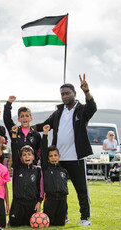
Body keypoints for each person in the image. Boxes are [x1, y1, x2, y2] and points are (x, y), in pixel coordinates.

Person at [34, 74, 97, 226]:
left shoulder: (82, 110)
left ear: (74, 93)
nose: (64, 96)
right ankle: (63, 215)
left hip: (76, 158)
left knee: (81, 190)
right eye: (62, 94)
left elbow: (92, 108)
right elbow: (45, 124)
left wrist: (87, 91)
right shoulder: (59, 112)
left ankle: (85, 218)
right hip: (58, 159)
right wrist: (27, 127)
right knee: (58, 191)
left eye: (67, 93)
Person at [9, 125, 43, 227]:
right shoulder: (17, 167)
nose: (27, 156)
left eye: (29, 154)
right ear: (21, 157)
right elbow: (15, 150)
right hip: (18, 203)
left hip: (31, 204)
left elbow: (40, 188)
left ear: (33, 156)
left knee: (31, 225)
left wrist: (39, 202)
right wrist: (14, 137)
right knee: (14, 225)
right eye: (24, 155)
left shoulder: (37, 170)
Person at [41, 125, 68, 226]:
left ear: (59, 156)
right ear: (48, 158)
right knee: (50, 224)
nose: (53, 158)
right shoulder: (46, 168)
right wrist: (45, 134)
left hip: (62, 201)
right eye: (51, 156)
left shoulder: (63, 170)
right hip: (50, 200)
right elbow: (43, 151)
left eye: (55, 155)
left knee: (60, 225)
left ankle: (65, 216)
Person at [3, 96, 41, 162]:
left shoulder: (36, 134)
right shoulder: (15, 130)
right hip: (18, 167)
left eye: (27, 116)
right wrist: (8, 104)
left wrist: (35, 161)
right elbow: (7, 119)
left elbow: (39, 151)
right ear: (18, 119)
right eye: (22, 116)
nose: (24, 118)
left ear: (31, 118)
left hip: (32, 167)